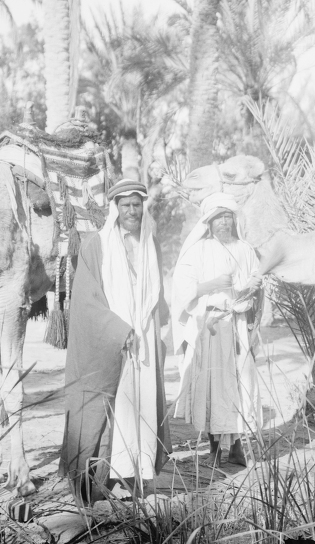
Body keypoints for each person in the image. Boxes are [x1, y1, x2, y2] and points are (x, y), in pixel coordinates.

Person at [59, 179, 170, 504]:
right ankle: (111, 477)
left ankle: (138, 474)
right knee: (116, 408)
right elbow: (87, 299)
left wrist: (153, 330)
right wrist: (118, 331)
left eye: (137, 205)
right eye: (126, 205)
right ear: (116, 208)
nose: (132, 211)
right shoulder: (98, 246)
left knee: (144, 407)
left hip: (144, 337)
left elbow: (156, 293)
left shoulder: (152, 242)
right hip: (114, 339)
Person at [172, 192, 263, 466]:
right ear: (208, 223)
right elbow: (183, 289)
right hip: (210, 327)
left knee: (239, 385)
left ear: (234, 220)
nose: (224, 223)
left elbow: (257, 283)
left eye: (228, 217)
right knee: (213, 386)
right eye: (218, 218)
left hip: (237, 325)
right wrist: (213, 285)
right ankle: (214, 450)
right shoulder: (198, 251)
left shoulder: (246, 250)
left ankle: (236, 447)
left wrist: (254, 291)